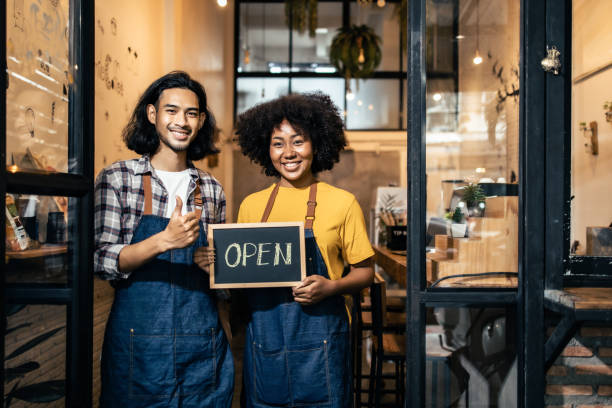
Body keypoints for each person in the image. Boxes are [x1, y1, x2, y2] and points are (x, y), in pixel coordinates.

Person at [94, 71, 233, 407]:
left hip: (202, 345)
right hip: (138, 347)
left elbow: (226, 282)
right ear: (153, 115)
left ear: (200, 121)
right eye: (171, 111)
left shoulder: (211, 190)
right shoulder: (119, 178)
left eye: (191, 113)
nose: (181, 121)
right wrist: (162, 241)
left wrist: (213, 266)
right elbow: (101, 261)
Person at [235, 92, 375, 407]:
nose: (289, 153)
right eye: (278, 143)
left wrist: (332, 287)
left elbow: (366, 272)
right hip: (265, 344)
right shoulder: (251, 207)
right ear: (265, 149)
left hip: (322, 344)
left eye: (298, 141)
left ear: (316, 145)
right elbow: (239, 278)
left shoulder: (342, 203)